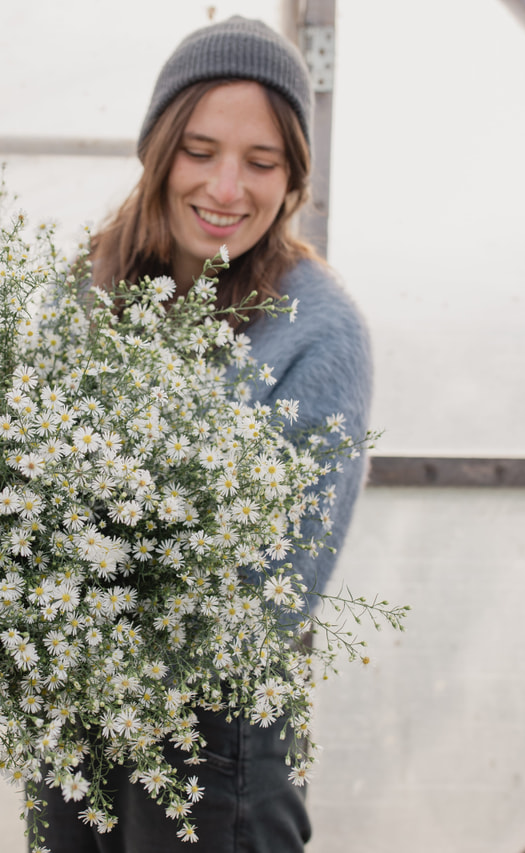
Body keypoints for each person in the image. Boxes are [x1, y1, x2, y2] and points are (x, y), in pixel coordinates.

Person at [33, 16, 373, 852]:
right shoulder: (88, 285)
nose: (228, 188)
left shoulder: (317, 329)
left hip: (217, 739)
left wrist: (87, 575)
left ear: (292, 178)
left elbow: (277, 585)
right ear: (157, 151)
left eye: (261, 163)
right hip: (76, 719)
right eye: (200, 150)